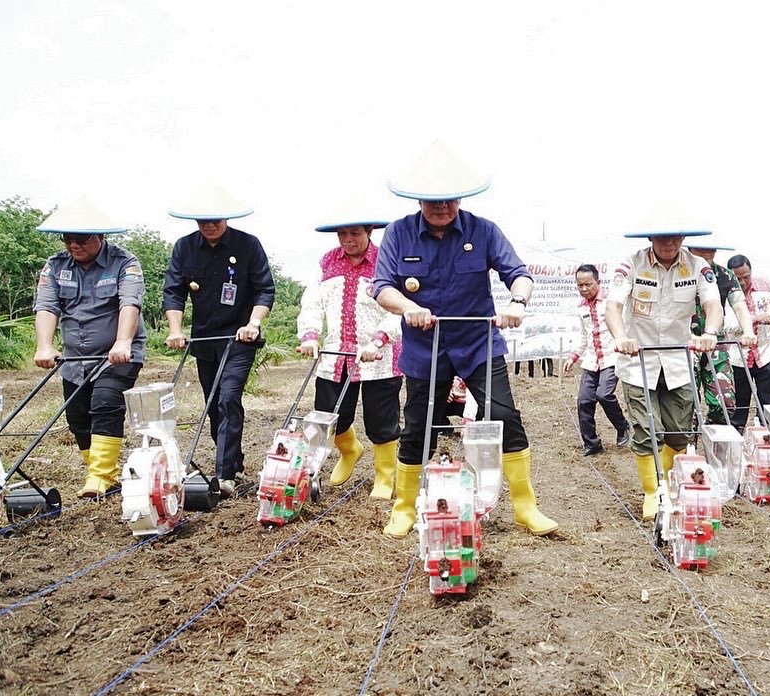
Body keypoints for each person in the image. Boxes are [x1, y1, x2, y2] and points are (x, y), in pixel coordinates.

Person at [373, 140, 557, 537]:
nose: (442, 207)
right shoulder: (398, 234)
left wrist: (518, 302)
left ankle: (526, 506)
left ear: (461, 198)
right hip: (425, 347)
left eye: (450, 200)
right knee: (418, 424)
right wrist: (408, 307)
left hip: (478, 342)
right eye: (433, 200)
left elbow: (519, 273)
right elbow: (382, 287)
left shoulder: (483, 230)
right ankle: (404, 506)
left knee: (505, 415)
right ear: (418, 199)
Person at [604, 202, 722, 520]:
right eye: (662, 237)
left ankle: (667, 478)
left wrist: (709, 332)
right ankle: (653, 491)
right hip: (637, 359)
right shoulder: (630, 265)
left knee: (680, 431)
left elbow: (713, 304)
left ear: (683, 238)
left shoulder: (698, 267)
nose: (670, 242)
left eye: (676, 237)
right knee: (647, 429)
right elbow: (613, 307)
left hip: (677, 361)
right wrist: (619, 338)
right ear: (651, 238)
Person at [163, 180, 275, 497]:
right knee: (213, 405)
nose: (209, 226)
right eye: (203, 221)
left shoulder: (248, 245)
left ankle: (225, 475)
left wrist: (253, 323)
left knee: (229, 399)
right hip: (204, 341)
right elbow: (173, 292)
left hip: (240, 338)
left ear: (226, 218)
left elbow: (265, 290)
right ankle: (234, 461)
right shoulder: (184, 248)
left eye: (215, 220)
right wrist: (175, 330)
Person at [32, 196, 147, 498]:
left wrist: (122, 341)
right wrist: (44, 345)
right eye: (68, 239)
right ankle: (94, 469)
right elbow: (46, 305)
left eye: (81, 239)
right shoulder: (55, 266)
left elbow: (129, 302)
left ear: (100, 237)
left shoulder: (125, 263)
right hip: (75, 358)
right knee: (78, 416)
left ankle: (101, 476)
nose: (74, 245)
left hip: (117, 356)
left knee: (105, 405)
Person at [295, 199, 402, 498]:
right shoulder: (327, 263)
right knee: (330, 414)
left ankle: (384, 475)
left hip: (378, 357)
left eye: (354, 233)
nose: (348, 240)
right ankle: (350, 450)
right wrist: (310, 335)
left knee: (381, 421)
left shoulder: (387, 261)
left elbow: (398, 309)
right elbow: (313, 303)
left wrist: (378, 339)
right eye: (342, 234)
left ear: (369, 231)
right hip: (335, 356)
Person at [682, 238, 755, 425]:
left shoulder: (725, 275)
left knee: (725, 402)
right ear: (690, 249)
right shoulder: (680, 273)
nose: (707, 253)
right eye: (701, 249)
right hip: (686, 343)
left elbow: (739, 305)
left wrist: (748, 330)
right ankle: (688, 447)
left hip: (715, 342)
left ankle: (714, 435)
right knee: (686, 405)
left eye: (711, 249)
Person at [563, 264, 631, 456]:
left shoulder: (612, 303)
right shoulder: (580, 309)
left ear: (598, 282)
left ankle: (623, 426)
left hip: (612, 356)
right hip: (592, 359)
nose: (584, 289)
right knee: (584, 401)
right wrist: (573, 356)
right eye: (580, 285)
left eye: (588, 284)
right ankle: (592, 444)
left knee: (604, 394)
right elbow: (584, 337)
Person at [723, 254, 770, 433]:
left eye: (746, 277)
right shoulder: (725, 291)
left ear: (751, 272)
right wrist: (754, 319)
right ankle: (736, 435)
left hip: (766, 352)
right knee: (738, 402)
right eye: (738, 278)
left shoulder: (766, 286)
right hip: (738, 356)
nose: (743, 282)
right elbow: (728, 324)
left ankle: (767, 435)